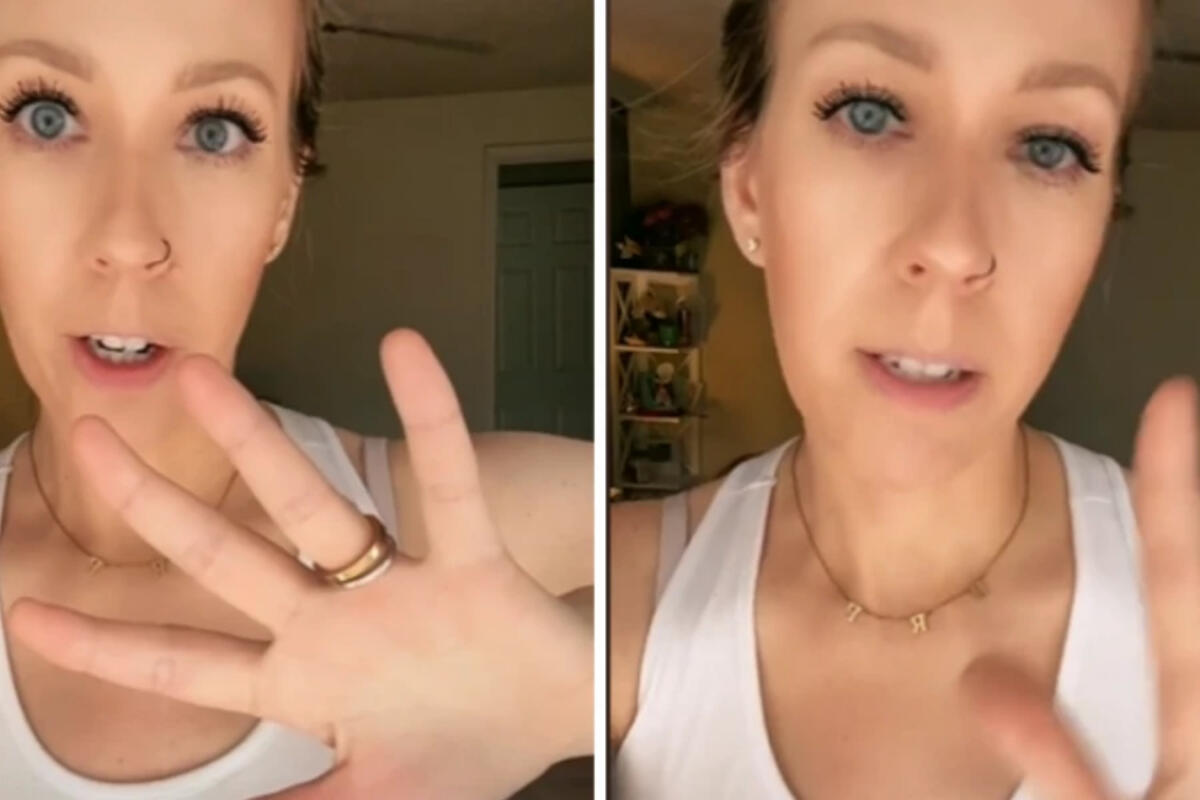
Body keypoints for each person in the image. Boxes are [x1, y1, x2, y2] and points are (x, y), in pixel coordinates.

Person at [0, 1, 593, 798]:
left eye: (214, 131)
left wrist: (595, 693)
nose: (130, 241)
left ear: (281, 205)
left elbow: (728, 564)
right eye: (45, 116)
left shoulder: (457, 533)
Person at [611, 1, 1198, 798]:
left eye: (1049, 146)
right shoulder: (623, 594)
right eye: (870, 112)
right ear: (749, 189)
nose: (955, 247)